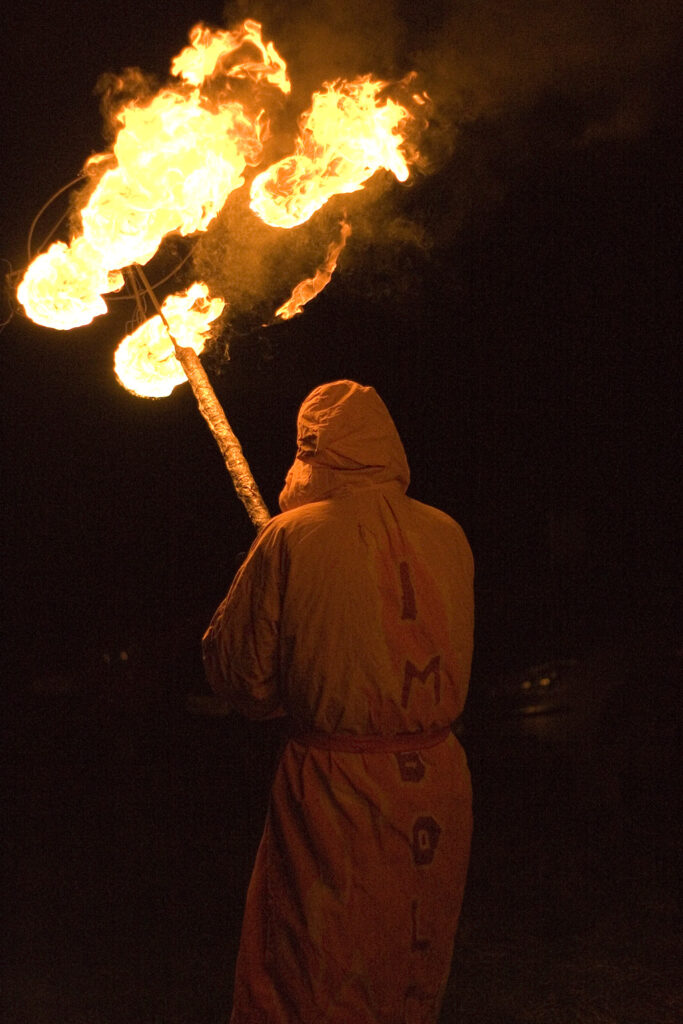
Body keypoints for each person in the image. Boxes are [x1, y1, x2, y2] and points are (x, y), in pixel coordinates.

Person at [202, 380, 474, 1024]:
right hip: (440, 783)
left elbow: (241, 675)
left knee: (313, 967)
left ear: (313, 448)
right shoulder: (449, 532)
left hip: (338, 787)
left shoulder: (292, 536)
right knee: (409, 961)